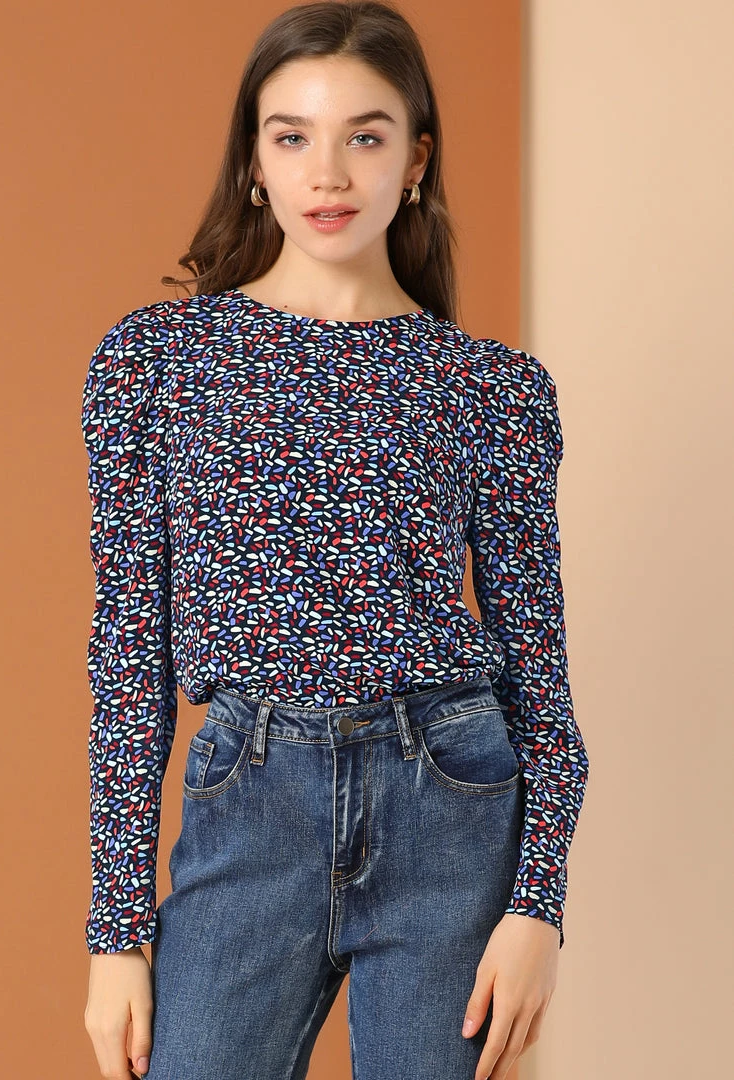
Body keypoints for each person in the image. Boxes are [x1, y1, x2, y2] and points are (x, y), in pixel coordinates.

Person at [80, 3, 590, 1079]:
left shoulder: (491, 388)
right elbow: (128, 655)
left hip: (447, 802)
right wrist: (115, 932)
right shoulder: (158, 362)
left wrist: (538, 907)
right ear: (254, 163)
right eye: (292, 136)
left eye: (365, 135)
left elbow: (538, 677)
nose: (328, 173)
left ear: (416, 161)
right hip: (249, 801)